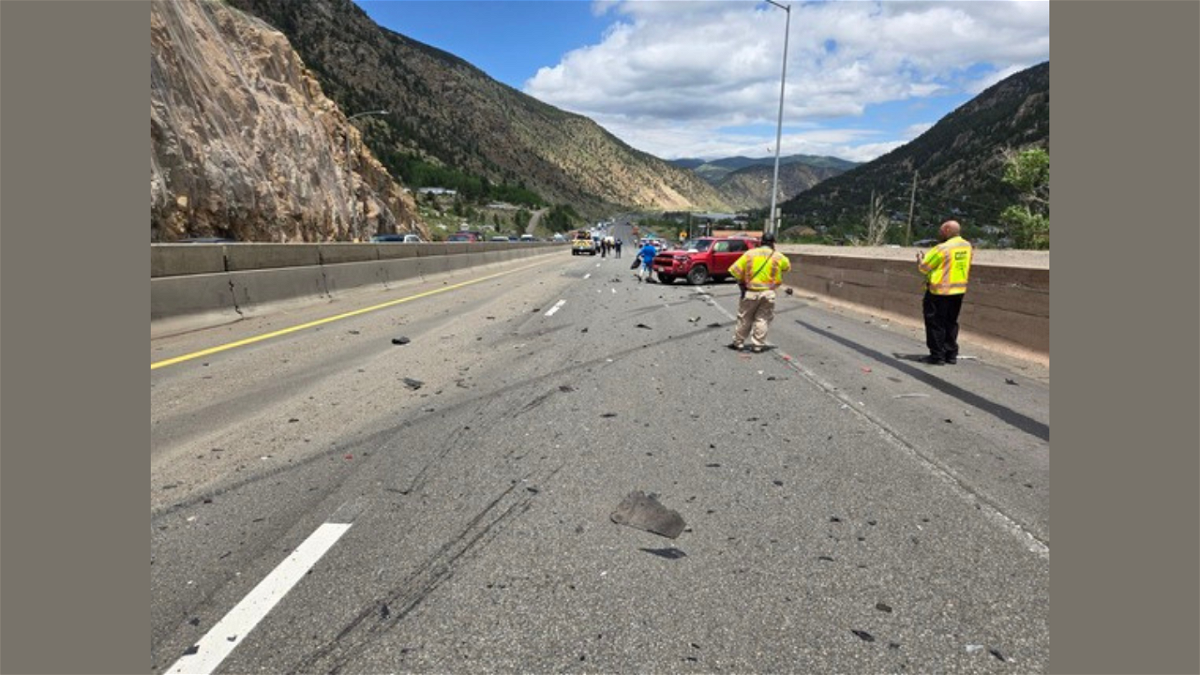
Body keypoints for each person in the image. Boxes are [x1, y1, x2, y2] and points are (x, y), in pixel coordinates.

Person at [917, 220, 973, 365]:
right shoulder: (967, 246)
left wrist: (920, 260)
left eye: (941, 230)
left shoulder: (942, 248)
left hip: (939, 291)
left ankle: (937, 356)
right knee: (951, 322)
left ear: (947, 230)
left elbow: (925, 268)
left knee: (935, 323)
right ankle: (951, 354)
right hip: (958, 290)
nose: (939, 233)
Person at [727, 233, 791, 353]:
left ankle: (738, 343)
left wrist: (742, 283)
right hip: (768, 293)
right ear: (773, 243)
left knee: (745, 318)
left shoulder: (750, 254)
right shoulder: (778, 256)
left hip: (750, 292)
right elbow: (787, 267)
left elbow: (734, 270)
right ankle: (757, 345)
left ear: (761, 242)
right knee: (762, 319)